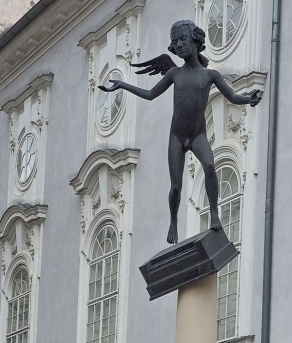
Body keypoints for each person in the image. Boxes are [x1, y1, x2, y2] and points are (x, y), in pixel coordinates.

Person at [98, 20, 262, 245]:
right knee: (176, 186)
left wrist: (248, 99)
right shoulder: (174, 73)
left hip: (198, 135)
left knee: (210, 166)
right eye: (175, 42)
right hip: (176, 137)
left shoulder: (210, 75)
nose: (179, 45)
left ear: (195, 41)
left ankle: (214, 213)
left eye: (183, 39)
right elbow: (150, 94)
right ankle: (173, 221)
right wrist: (123, 85)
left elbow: (232, 96)